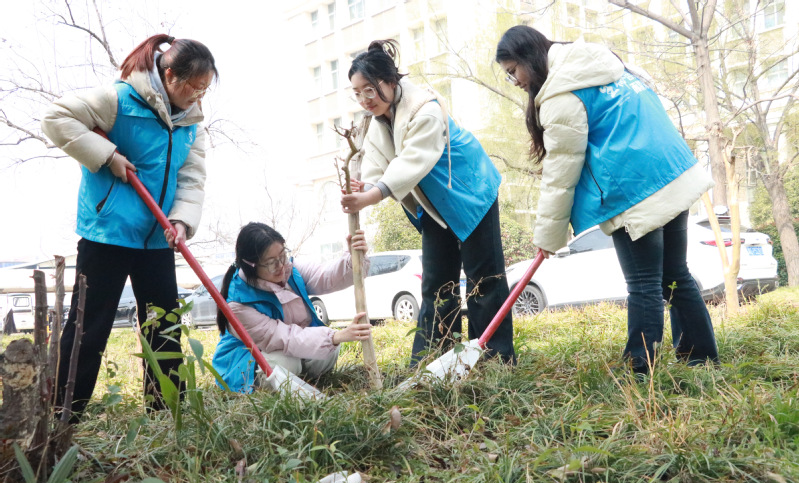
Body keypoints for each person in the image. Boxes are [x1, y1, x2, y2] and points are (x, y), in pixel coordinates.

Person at [495, 25, 719, 375]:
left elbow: (560, 172)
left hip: (634, 192)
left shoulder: (562, 95)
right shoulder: (608, 64)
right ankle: (702, 359)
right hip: (674, 174)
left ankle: (640, 371)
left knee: (644, 284)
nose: (516, 81)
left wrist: (548, 236)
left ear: (528, 58)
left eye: (513, 72)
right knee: (675, 274)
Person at [41, 34, 217, 421]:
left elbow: (192, 178)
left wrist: (181, 220)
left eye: (206, 89)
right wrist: (108, 157)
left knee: (164, 325)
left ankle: (168, 413)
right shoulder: (118, 99)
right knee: (90, 325)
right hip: (108, 231)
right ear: (169, 75)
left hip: (157, 236)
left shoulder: (191, 121)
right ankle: (62, 415)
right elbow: (55, 119)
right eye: (194, 87)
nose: (199, 97)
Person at [341, 39, 515, 367]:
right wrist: (362, 186)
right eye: (358, 93)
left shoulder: (426, 108)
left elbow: (411, 163)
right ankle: (434, 362)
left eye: (370, 89)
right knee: (437, 285)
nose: (365, 100)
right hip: (433, 205)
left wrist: (372, 194)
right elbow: (380, 167)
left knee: (484, 280)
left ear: (391, 82)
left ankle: (494, 361)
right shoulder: (378, 121)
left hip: (469, 190)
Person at [212, 223, 372, 393]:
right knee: (287, 362)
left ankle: (296, 380)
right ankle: (267, 385)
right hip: (245, 364)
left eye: (282, 256)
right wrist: (335, 336)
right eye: (271, 263)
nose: (281, 266)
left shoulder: (290, 270)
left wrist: (353, 259)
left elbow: (325, 276)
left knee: (328, 353)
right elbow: (284, 337)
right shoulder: (238, 305)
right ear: (251, 266)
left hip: (287, 349)